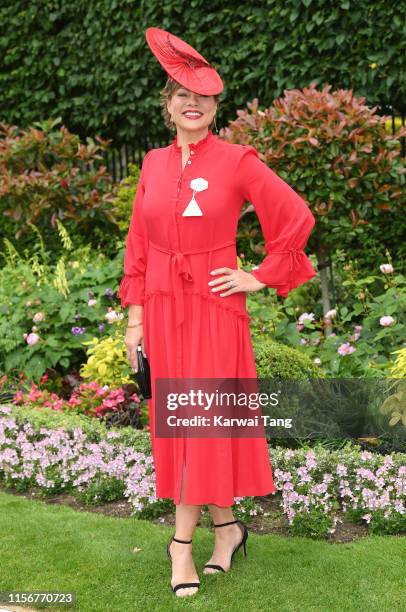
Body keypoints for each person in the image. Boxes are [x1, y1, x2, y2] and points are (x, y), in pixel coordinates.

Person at [118, 27, 317, 597]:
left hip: (213, 308)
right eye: (182, 94)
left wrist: (259, 276)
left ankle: (180, 545)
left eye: (202, 97)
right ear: (168, 104)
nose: (192, 104)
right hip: (161, 308)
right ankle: (226, 529)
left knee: (200, 422)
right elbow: (138, 244)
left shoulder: (236, 160)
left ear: (214, 106)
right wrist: (135, 321)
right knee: (186, 426)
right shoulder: (153, 164)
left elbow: (295, 216)